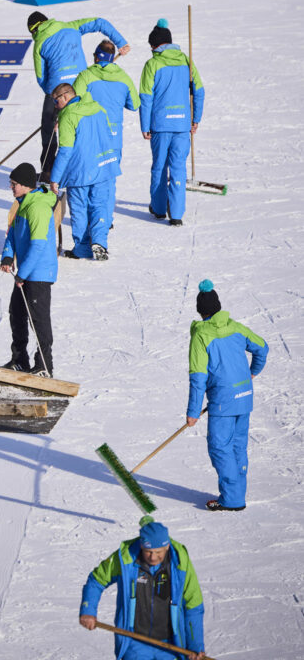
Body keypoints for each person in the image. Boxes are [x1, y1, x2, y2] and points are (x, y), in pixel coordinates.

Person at [187, 279, 269, 512]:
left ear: (200, 311)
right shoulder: (235, 327)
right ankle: (236, 493)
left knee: (220, 447)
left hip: (223, 402)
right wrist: (252, 373)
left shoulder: (201, 335)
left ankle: (232, 499)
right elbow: (262, 347)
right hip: (244, 396)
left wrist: (193, 412)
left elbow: (198, 377)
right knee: (237, 446)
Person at [80, 516, 206, 660]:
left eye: (158, 552)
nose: (153, 557)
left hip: (171, 645)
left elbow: (193, 605)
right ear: (141, 545)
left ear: (167, 546)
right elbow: (96, 580)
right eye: (148, 551)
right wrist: (88, 610)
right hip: (134, 642)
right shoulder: (126, 559)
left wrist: (195, 646)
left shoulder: (180, 564)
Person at [27, 11, 130, 180]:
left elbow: (41, 78)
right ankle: (89, 164)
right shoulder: (71, 27)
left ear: (33, 30)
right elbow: (100, 21)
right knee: (83, 123)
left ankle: (48, 171)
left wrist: (54, 98)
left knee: (49, 128)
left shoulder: (39, 43)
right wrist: (121, 42)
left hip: (57, 90)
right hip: (81, 85)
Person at [139, 18, 204, 227]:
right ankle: (176, 214)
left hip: (160, 125)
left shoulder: (153, 64)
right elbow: (199, 92)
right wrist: (195, 119)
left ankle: (158, 209)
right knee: (178, 168)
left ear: (156, 45)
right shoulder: (187, 60)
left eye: (151, 46)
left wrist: (145, 125)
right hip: (182, 125)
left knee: (159, 167)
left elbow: (146, 97)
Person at [49, 83, 120, 260]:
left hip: (80, 171)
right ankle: (99, 242)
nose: (55, 107)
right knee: (100, 206)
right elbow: (110, 134)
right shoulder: (98, 107)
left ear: (65, 97)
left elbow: (65, 150)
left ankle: (81, 248)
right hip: (104, 166)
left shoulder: (68, 116)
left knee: (80, 209)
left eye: (56, 102)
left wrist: (55, 178)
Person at [0, 163, 57, 376]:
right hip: (25, 273)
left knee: (38, 320)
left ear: (25, 185)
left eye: (14, 184)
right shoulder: (23, 204)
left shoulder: (38, 207)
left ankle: (44, 365)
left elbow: (38, 245)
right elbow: (13, 235)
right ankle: (20, 359)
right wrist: (7, 255)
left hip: (38, 274)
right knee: (16, 313)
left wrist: (22, 273)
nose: (11, 188)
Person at [73, 40, 139, 219]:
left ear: (96, 57)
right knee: (108, 178)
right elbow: (135, 104)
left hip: (89, 134)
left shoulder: (85, 76)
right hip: (113, 135)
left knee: (88, 176)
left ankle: (90, 219)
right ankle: (104, 218)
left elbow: (73, 103)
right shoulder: (123, 77)